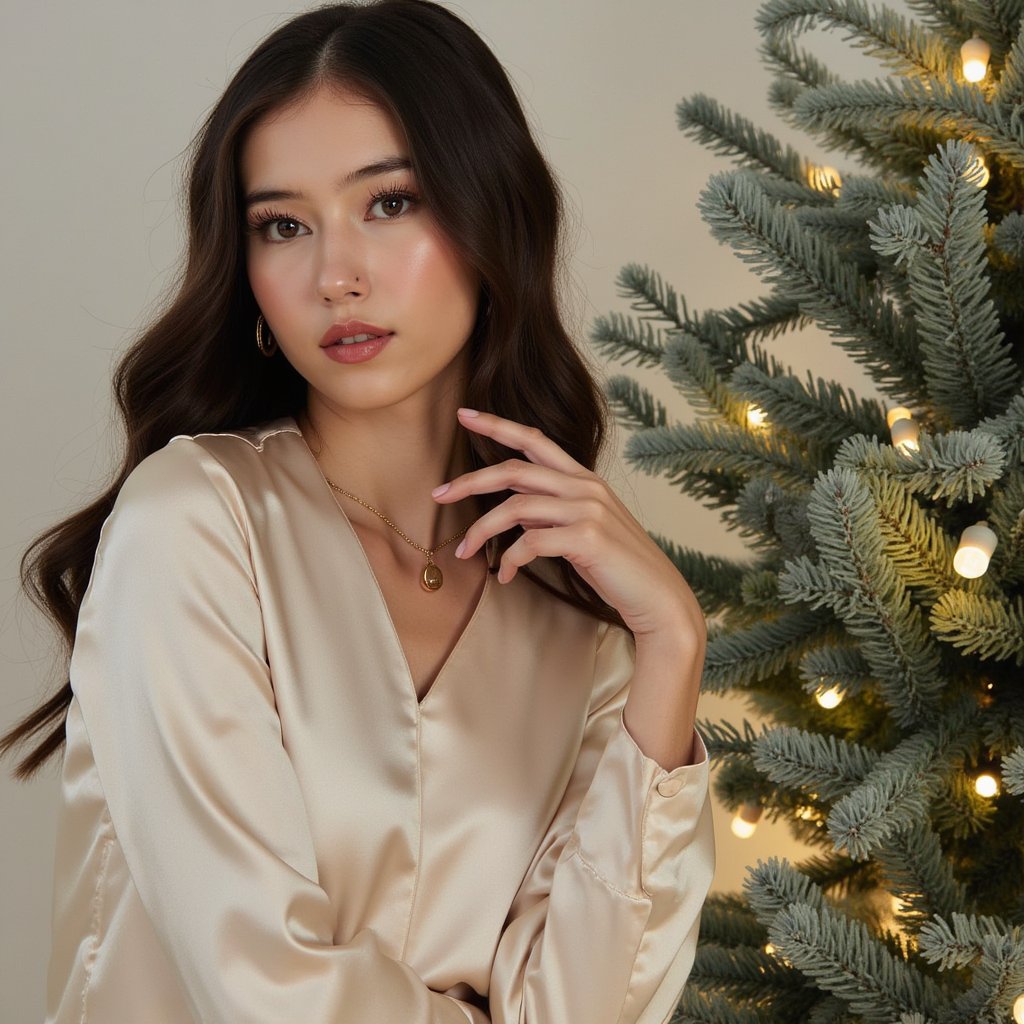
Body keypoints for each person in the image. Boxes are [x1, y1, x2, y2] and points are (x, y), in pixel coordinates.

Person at [2, 2, 714, 1020]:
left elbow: (589, 1003)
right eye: (282, 225)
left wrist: (672, 641)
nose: (335, 275)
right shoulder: (194, 526)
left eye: (389, 203)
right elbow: (263, 983)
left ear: (487, 213)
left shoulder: (575, 618)